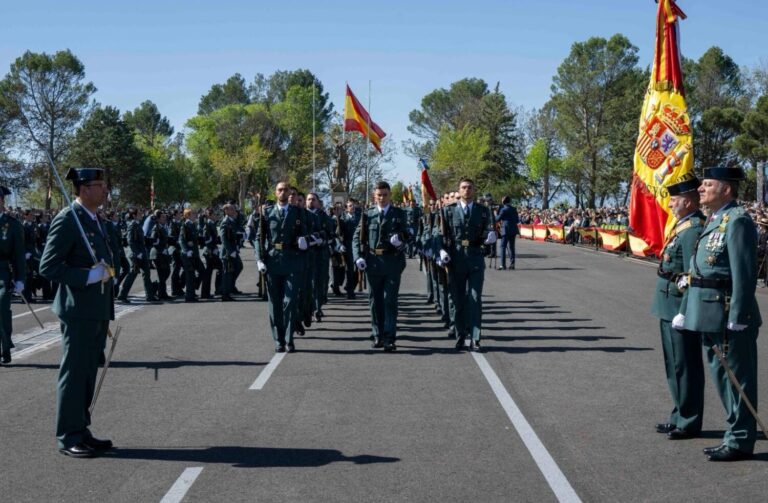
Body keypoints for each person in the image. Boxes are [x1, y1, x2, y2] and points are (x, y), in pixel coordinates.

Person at [677, 166, 762, 462]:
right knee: (723, 377)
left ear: (726, 189)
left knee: (737, 377)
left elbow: (744, 274)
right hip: (708, 312)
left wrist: (738, 314)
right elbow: (698, 271)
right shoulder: (716, 218)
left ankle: (739, 439)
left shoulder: (737, 221)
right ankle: (735, 433)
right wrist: (687, 309)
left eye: (708, 184)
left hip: (728, 313)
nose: (700, 189)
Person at [39, 168, 116, 458]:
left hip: (96, 309)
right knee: (73, 374)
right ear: (84, 189)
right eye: (100, 186)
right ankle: (68, 435)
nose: (105, 190)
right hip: (79, 310)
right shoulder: (68, 220)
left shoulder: (93, 220)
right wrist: (86, 276)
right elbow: (48, 267)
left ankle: (81, 430)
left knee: (86, 373)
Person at [650, 178, 705, 440]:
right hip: (667, 301)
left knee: (686, 364)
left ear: (688, 201)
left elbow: (693, 273)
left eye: (674, 199)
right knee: (674, 364)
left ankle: (689, 420)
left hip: (678, 304)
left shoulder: (693, 228)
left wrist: (685, 309)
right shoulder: (683, 226)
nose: (670, 203)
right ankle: (679, 415)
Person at [439, 178, 496, 351]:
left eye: (470, 187)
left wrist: (489, 239)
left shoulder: (483, 211)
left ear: (474, 190)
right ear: (459, 190)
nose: (467, 190)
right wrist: (441, 250)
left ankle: (475, 337)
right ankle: (460, 334)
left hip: (475, 257)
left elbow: (489, 231)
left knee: (475, 298)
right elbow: (441, 234)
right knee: (458, 299)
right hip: (456, 257)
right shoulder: (448, 211)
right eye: (464, 187)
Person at [352, 181, 408, 352]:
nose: (382, 198)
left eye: (385, 195)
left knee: (390, 301)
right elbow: (356, 238)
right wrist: (357, 258)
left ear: (390, 195)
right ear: (374, 196)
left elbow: (409, 234)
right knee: (375, 301)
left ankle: (390, 337)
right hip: (373, 262)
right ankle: (377, 334)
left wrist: (400, 240)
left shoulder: (399, 214)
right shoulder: (367, 215)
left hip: (392, 262)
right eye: (379, 195)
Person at [255, 182, 309, 352]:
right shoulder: (267, 212)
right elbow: (259, 237)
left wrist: (304, 241)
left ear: (289, 193)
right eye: (280, 190)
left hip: (292, 260)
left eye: (286, 190)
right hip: (273, 261)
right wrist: (259, 258)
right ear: (275, 193)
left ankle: (289, 338)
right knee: (275, 304)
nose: (283, 192)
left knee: (290, 301)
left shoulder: (298, 212)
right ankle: (279, 340)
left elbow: (306, 233)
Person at [0, 186, 26, 364]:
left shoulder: (12, 224)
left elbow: (18, 253)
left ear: (1, 201)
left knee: (1, 309)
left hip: (3, 273)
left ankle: (5, 346)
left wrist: (20, 278)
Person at [118, 209, 157, 302]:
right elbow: (130, 241)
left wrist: (151, 240)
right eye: (139, 213)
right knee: (132, 274)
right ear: (134, 216)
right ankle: (122, 295)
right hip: (136, 255)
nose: (141, 215)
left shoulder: (138, 225)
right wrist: (136, 253)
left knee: (146, 274)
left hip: (142, 253)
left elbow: (141, 239)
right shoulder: (132, 225)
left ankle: (150, 296)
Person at [179, 208, 205, 303]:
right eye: (193, 214)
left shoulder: (193, 225)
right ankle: (189, 296)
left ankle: (193, 289)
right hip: (188, 255)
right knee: (190, 275)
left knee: (202, 271)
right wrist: (186, 250)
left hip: (195, 254)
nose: (196, 215)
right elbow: (181, 240)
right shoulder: (185, 225)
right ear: (188, 215)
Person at [219, 203, 243, 302]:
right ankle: (225, 294)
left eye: (234, 209)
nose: (234, 211)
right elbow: (223, 239)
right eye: (232, 209)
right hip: (227, 253)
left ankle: (230, 287)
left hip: (233, 250)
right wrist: (230, 251)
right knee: (227, 273)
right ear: (226, 211)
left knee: (238, 267)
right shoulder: (225, 222)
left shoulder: (232, 221)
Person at [495, 196, 519, 270]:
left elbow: (497, 219)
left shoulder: (503, 209)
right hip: (513, 229)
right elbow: (517, 220)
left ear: (503, 201)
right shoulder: (514, 209)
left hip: (505, 229)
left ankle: (503, 265)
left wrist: (495, 214)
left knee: (503, 247)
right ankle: (512, 264)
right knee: (511, 247)